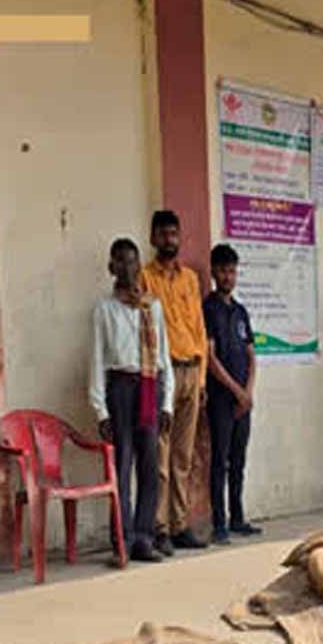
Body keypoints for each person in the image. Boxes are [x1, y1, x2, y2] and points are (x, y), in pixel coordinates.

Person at [90, 238, 174, 566]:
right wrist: (100, 410)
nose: (127, 268)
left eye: (132, 261)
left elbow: (163, 356)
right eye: (120, 261)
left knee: (150, 465)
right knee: (122, 465)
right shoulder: (103, 309)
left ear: (140, 266)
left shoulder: (152, 307)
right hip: (121, 389)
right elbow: (97, 361)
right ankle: (121, 541)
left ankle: (143, 537)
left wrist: (167, 404)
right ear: (111, 267)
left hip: (150, 387)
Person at [140, 209, 209, 555]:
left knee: (183, 455)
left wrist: (202, 378)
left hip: (192, 371)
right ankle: (159, 528)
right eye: (163, 234)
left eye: (174, 233)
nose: (170, 239)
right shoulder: (143, 277)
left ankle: (180, 525)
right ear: (153, 238)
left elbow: (199, 327)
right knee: (161, 458)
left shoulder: (190, 279)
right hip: (163, 374)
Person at [203, 243, 261, 544]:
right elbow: (210, 358)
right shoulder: (208, 309)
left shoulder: (240, 312)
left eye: (232, 271)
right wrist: (237, 392)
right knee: (220, 461)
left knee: (239, 460)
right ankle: (219, 523)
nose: (228, 277)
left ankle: (238, 517)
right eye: (223, 271)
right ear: (214, 272)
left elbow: (251, 355)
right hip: (221, 399)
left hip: (242, 401)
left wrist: (247, 393)